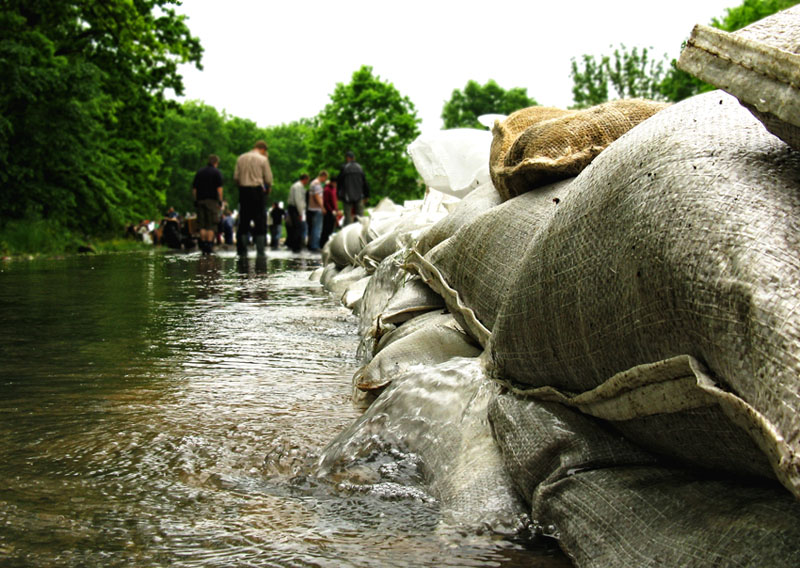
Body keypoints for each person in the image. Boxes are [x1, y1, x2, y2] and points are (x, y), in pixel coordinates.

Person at [233, 140, 273, 256]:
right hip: (257, 191)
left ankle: (242, 250)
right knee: (259, 221)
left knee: (244, 221)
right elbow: (268, 179)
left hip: (244, 191)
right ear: (263, 150)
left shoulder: (241, 158)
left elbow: (236, 177)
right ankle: (260, 251)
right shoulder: (263, 159)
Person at [192, 154, 223, 254]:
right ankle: (209, 245)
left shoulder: (200, 172)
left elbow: (194, 189)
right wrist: (220, 201)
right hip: (212, 201)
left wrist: (196, 200)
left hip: (200, 200)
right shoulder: (216, 173)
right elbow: (219, 189)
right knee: (211, 225)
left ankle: (203, 244)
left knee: (202, 225)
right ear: (216, 162)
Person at [337, 151, 370, 225]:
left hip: (347, 196)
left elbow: (339, 182)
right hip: (359, 196)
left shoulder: (344, 168)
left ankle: (348, 234)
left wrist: (339, 195)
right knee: (361, 217)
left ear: (347, 158)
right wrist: (367, 195)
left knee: (348, 218)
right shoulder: (359, 168)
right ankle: (361, 233)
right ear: (354, 158)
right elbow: (365, 182)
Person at [286, 174, 309, 253]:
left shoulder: (296, 186)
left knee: (296, 227)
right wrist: (300, 212)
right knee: (297, 227)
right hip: (295, 208)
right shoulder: (298, 186)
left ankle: (295, 245)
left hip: (294, 208)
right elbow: (298, 200)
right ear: (305, 179)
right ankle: (296, 246)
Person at [306, 170, 327, 251]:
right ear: (323, 176)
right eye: (325, 178)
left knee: (313, 227)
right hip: (316, 208)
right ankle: (315, 245)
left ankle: (311, 244)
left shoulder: (312, 183)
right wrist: (322, 207)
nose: (325, 180)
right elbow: (317, 196)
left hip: (312, 208)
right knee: (317, 228)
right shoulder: (317, 184)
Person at [321, 178, 338, 248]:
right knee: (326, 228)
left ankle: (328, 242)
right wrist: (331, 210)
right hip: (328, 212)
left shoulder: (334, 189)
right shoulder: (327, 190)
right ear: (331, 182)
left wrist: (336, 210)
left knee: (331, 228)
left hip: (333, 211)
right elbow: (326, 202)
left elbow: (335, 201)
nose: (335, 185)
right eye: (334, 183)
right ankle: (323, 243)